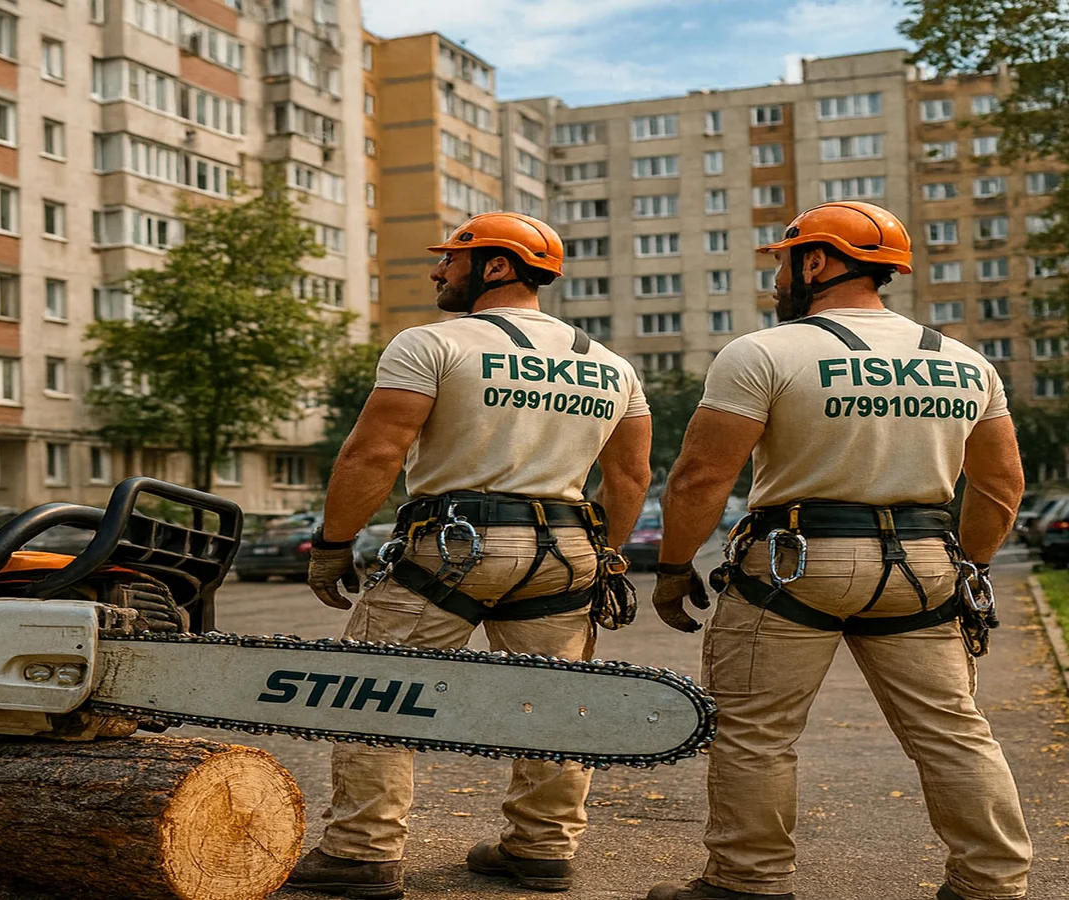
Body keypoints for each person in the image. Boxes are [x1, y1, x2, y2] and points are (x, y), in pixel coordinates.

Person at [646, 201, 1031, 900]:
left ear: (817, 262)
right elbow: (1003, 486)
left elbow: (700, 475)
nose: (777, 280)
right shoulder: (966, 364)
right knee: (953, 732)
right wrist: (965, 569)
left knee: (757, 732)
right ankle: (993, 882)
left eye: (784, 263)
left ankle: (748, 881)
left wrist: (673, 568)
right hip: (922, 564)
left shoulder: (765, 352)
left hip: (795, 562)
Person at [286, 212, 653, 899]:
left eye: (451, 260)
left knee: (376, 695)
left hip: (452, 543)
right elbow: (631, 477)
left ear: (498, 266)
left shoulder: (429, 345)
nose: (436, 271)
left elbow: (375, 452)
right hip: (566, 547)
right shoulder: (611, 367)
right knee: (553, 702)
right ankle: (542, 849)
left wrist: (333, 544)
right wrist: (606, 557)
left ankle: (362, 853)